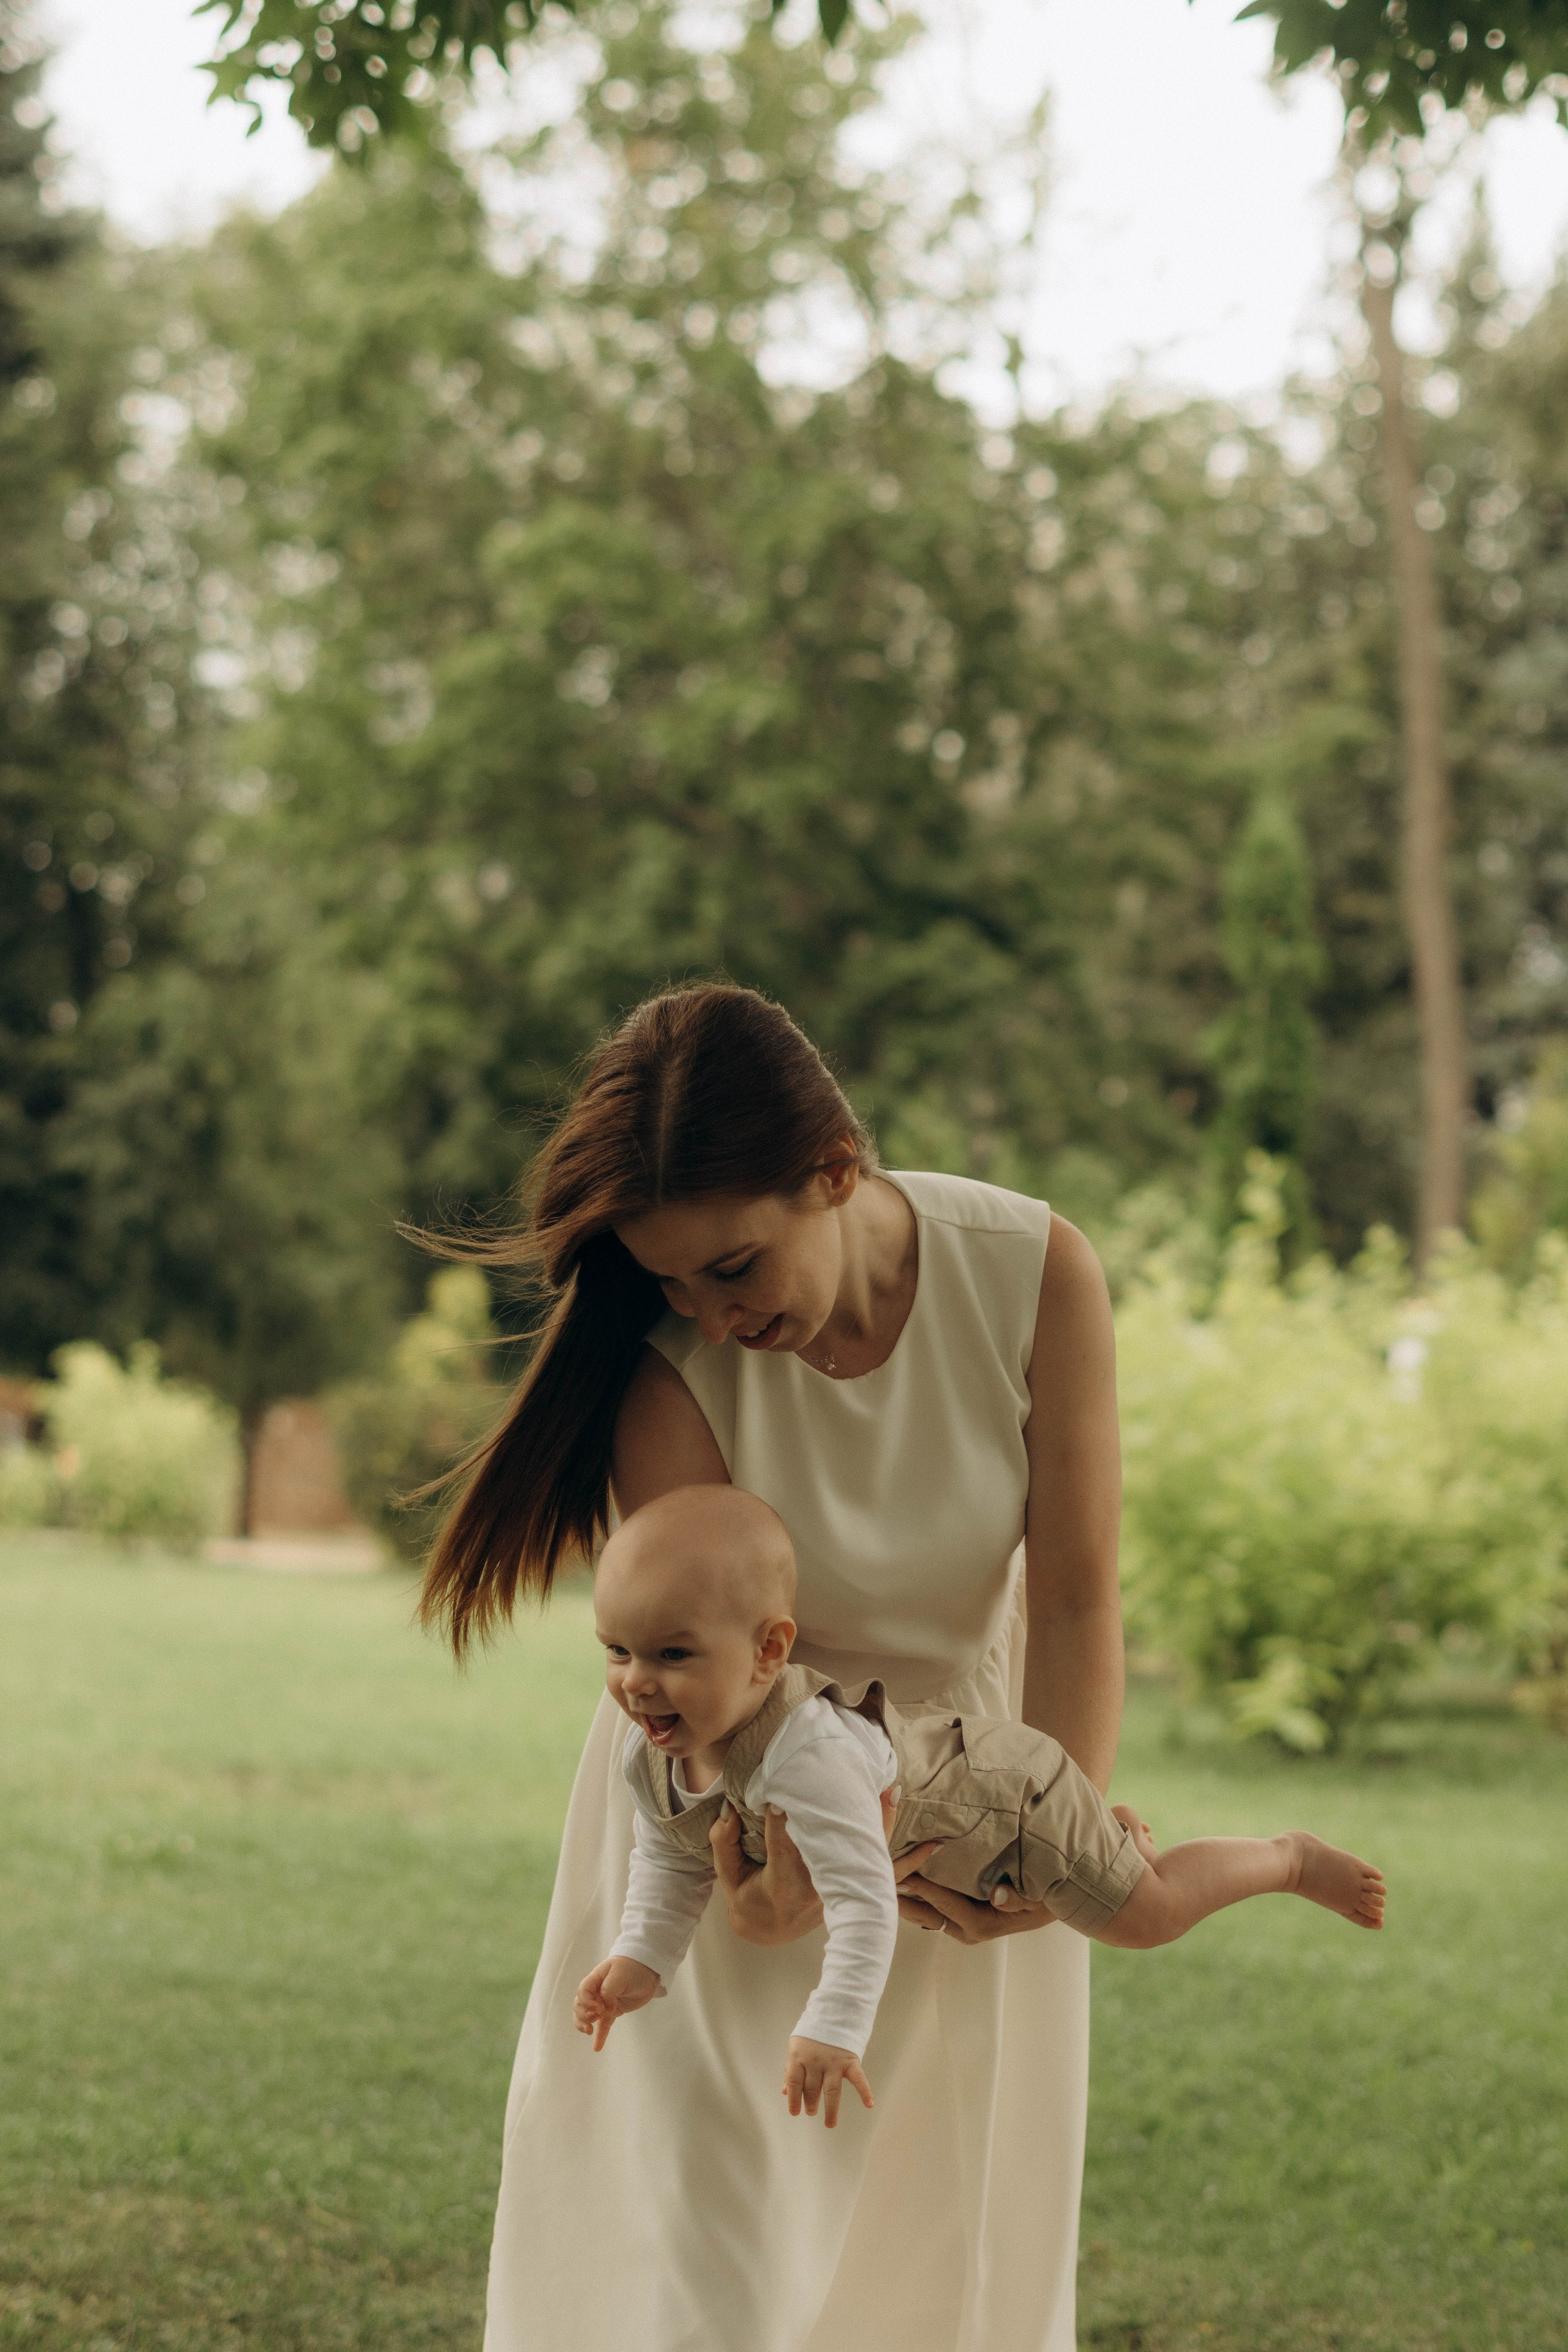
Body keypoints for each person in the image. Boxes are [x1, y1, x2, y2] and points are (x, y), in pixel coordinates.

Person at [418, 981, 1155, 2350]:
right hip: (729, 1807)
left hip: (968, 1785)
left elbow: (1072, 1594)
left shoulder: (1034, 1270)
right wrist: (765, 1892)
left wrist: (1044, 1845)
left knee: (944, 2250)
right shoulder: (665, 1368)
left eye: (733, 1267)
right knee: (720, 2252)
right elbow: (697, 1685)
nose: (705, 1310)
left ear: (834, 1170)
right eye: (670, 1281)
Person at [574, 1486, 1385, 2128]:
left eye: (672, 1654)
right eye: (618, 1650)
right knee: (1115, 1868)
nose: (636, 1682)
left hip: (1009, 1803)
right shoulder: (652, 1753)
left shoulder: (810, 1763)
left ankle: (1288, 1858)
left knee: (1148, 1914)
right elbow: (674, 1857)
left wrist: (831, 2026)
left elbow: (862, 1908)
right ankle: (1115, 1840)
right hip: (969, 1818)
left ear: (769, 1652)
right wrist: (642, 1957)